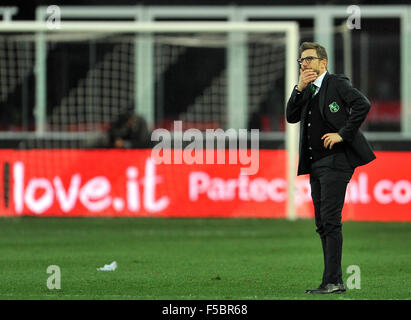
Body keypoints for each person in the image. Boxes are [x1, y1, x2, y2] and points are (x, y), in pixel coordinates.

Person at [286, 42, 376, 294]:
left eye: (309, 59)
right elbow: (290, 116)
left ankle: (334, 280)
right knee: (322, 222)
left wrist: (342, 134)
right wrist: (299, 88)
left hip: (336, 161)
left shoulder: (336, 83)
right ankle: (330, 280)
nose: (304, 63)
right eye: (301, 60)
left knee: (330, 220)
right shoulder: (307, 89)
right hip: (315, 163)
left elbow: (363, 104)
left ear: (323, 62)